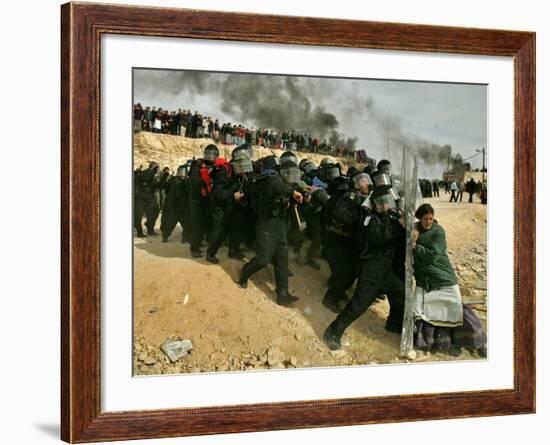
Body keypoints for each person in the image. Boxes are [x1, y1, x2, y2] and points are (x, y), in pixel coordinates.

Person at [323, 186, 406, 350]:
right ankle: (333, 332)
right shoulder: (368, 219)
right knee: (358, 305)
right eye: (383, 203)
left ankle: (394, 324)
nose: (386, 206)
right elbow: (379, 236)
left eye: (388, 202)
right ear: (375, 204)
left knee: (401, 293)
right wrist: (398, 225)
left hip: (386, 270)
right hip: (371, 271)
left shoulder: (389, 216)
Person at [411, 204, 487, 356]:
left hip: (442, 278)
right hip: (424, 280)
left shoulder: (438, 232)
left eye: (431, 219)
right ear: (420, 218)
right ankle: (432, 343)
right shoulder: (414, 228)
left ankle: (479, 342)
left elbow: (432, 256)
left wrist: (415, 246)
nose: (428, 222)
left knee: (455, 309)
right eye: (425, 219)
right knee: (419, 311)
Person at [236, 155, 304, 306]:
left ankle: (283, 294)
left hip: (279, 224)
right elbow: (278, 187)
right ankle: (244, 274)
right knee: (263, 259)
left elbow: (284, 190)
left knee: (282, 259)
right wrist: (292, 193)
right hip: (266, 224)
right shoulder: (269, 179)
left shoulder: (277, 179)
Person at [322, 172, 371, 313]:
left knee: (351, 271)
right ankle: (329, 299)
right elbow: (340, 214)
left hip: (347, 239)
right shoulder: (351, 196)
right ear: (357, 184)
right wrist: (357, 220)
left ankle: (337, 289)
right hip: (337, 238)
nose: (367, 184)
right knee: (344, 272)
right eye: (363, 181)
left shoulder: (363, 197)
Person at [188, 144, 219, 257]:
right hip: (197, 199)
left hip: (207, 199)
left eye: (213, 153)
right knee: (196, 223)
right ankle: (194, 248)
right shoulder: (197, 165)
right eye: (209, 153)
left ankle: (200, 241)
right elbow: (195, 181)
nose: (210, 155)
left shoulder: (215, 166)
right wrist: (208, 178)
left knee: (206, 222)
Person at [160, 164, 189, 243]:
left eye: (184, 173)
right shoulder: (175, 181)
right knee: (171, 223)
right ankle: (165, 236)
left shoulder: (185, 181)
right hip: (175, 206)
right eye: (181, 172)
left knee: (186, 224)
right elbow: (175, 194)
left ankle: (184, 238)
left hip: (182, 206)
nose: (183, 174)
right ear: (178, 173)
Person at [134, 161, 162, 237]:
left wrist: (161, 180)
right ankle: (139, 232)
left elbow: (156, 185)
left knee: (155, 212)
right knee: (138, 215)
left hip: (150, 196)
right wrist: (153, 172)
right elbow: (145, 179)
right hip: (140, 196)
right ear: (153, 167)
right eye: (157, 166)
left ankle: (150, 228)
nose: (158, 168)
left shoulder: (156, 175)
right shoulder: (145, 172)